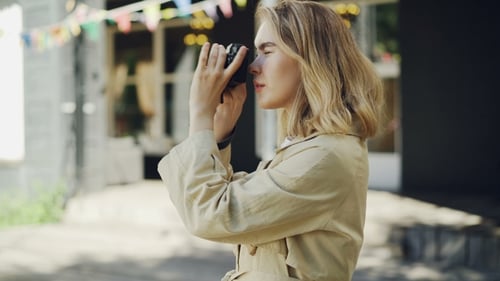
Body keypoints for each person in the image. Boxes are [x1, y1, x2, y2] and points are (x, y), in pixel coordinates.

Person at [157, 0, 384, 280]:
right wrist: (219, 135)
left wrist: (201, 112)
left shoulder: (325, 156)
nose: (253, 66)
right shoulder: (307, 147)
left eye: (267, 51)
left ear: (309, 59)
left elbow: (211, 214)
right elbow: (227, 200)